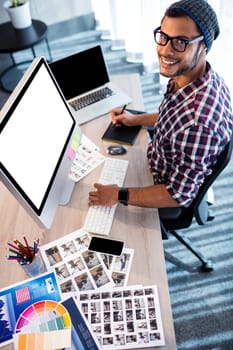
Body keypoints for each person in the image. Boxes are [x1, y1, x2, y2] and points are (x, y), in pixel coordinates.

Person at [88, 0, 233, 210]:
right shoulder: (192, 76)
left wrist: (117, 195)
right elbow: (173, 119)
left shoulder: (199, 122)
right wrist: (135, 119)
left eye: (181, 41)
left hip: (160, 186)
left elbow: (177, 195)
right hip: (158, 157)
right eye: (164, 37)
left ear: (203, 46)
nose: (165, 50)